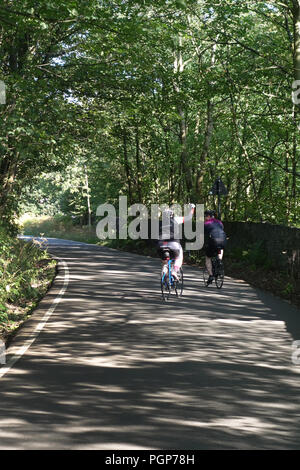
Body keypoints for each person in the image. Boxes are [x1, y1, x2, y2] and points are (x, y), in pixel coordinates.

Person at [157, 203, 195, 280]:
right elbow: (189, 217)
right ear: (172, 215)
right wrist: (192, 208)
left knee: (165, 261)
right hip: (174, 244)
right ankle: (174, 271)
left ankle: (165, 269)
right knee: (179, 257)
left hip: (161, 244)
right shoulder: (176, 219)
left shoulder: (159, 223)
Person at [204, 209, 227, 285]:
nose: (205, 218)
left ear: (208, 216)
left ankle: (211, 275)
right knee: (220, 248)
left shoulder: (206, 223)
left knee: (208, 257)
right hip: (223, 238)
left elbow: (202, 234)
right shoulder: (219, 222)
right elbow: (221, 230)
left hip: (213, 239)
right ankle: (219, 261)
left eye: (205, 216)